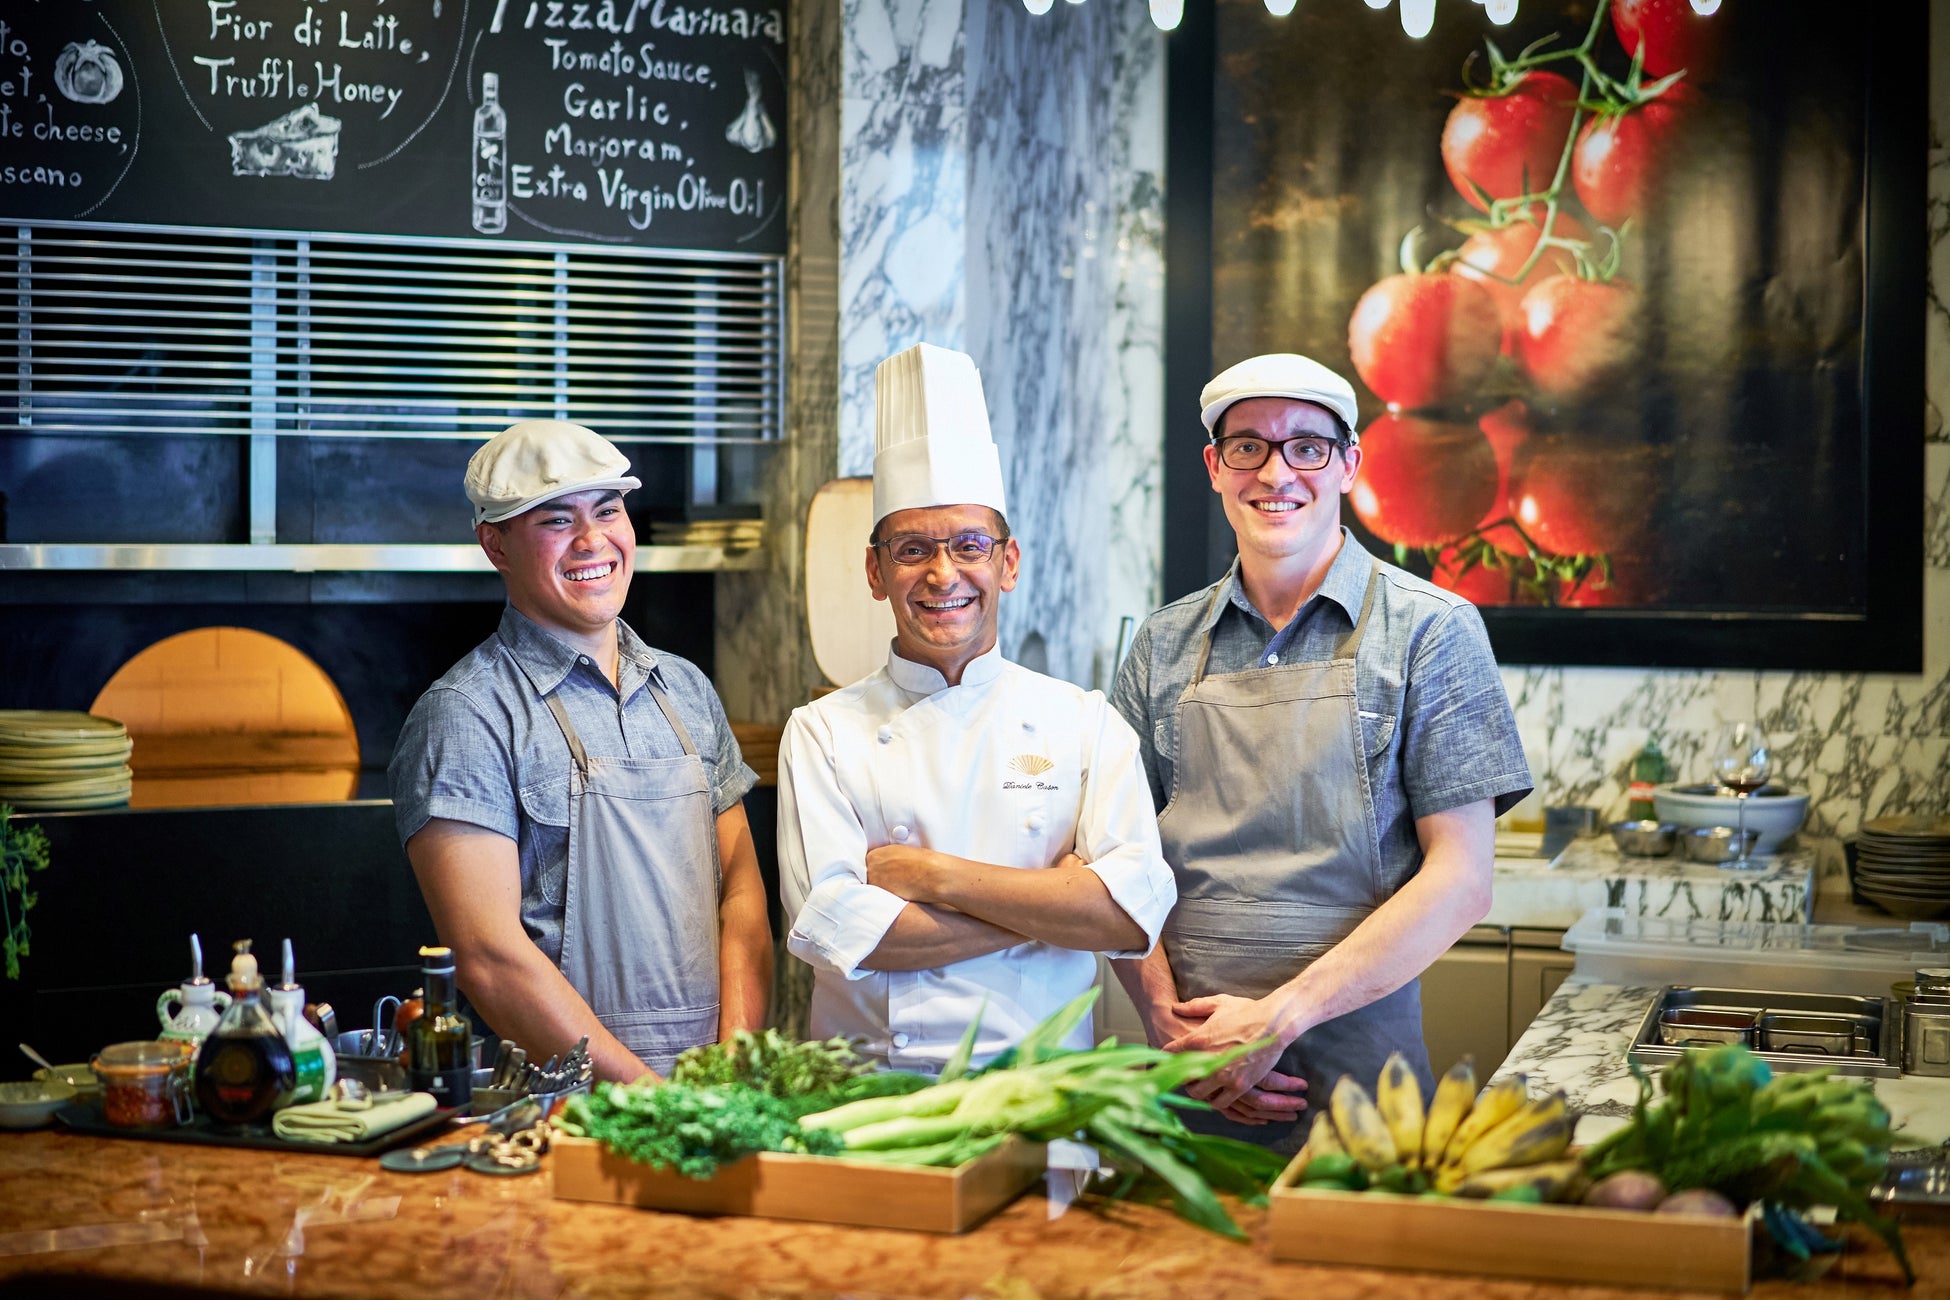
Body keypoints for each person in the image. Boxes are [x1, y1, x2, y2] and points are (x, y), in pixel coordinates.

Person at [1109, 353, 1533, 1151]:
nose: (1277, 472)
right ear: (1214, 466)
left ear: (1348, 466)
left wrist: (1278, 1018)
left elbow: (1462, 880)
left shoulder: (1431, 631)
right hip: (1190, 1079)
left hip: (1365, 1091)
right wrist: (1168, 1021)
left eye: (1307, 446)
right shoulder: (1162, 645)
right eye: (1248, 447)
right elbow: (1112, 861)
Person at [777, 343, 1177, 1071]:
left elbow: (1127, 912)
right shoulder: (822, 732)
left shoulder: (1083, 723)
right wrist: (1058, 909)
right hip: (871, 1102)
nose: (942, 574)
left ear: (1009, 562)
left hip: (1045, 1100)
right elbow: (840, 927)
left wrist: (933, 877)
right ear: (875, 571)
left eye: (969, 545)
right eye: (911, 549)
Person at [389, 419, 772, 1081]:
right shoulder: (466, 714)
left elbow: (741, 891)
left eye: (608, 510)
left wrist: (733, 1072)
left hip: (713, 1093)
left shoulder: (685, 689)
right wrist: (651, 1098)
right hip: (567, 1108)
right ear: (495, 545)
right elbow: (489, 957)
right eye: (556, 521)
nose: (593, 541)